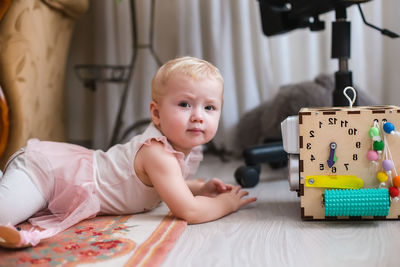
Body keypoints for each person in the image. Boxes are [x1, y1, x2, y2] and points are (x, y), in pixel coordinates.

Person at [0, 56, 257, 248]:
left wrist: (198, 188)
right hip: (46, 175)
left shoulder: (181, 150)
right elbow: (188, 211)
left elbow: (159, 185)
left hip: (62, 174)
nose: (198, 117)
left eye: (210, 108)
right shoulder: (157, 153)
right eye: (185, 104)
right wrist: (226, 204)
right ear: (156, 113)